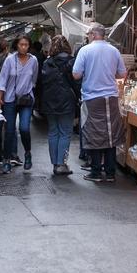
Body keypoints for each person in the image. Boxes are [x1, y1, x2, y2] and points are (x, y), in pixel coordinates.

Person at [72, 23, 126, 183]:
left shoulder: (85, 50)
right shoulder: (114, 51)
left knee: (93, 132)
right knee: (111, 133)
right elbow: (122, 73)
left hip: (91, 97)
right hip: (111, 97)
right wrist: (109, 73)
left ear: (94, 34)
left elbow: (76, 74)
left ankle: (96, 171)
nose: (87, 36)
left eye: (88, 34)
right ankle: (110, 172)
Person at [0, 35, 39, 174]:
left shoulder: (34, 60)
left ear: (29, 46)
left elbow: (34, 79)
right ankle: (7, 159)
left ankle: (27, 153)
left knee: (24, 128)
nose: (23, 47)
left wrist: (28, 91)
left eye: (26, 44)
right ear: (16, 45)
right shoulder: (9, 60)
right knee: (9, 131)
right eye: (21, 44)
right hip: (10, 99)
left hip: (26, 100)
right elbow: (2, 80)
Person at [38, 35, 80, 175]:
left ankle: (55, 163)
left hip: (49, 101)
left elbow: (42, 83)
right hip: (66, 101)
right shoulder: (71, 62)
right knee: (65, 133)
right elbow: (76, 83)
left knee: (53, 132)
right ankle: (62, 164)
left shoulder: (46, 62)